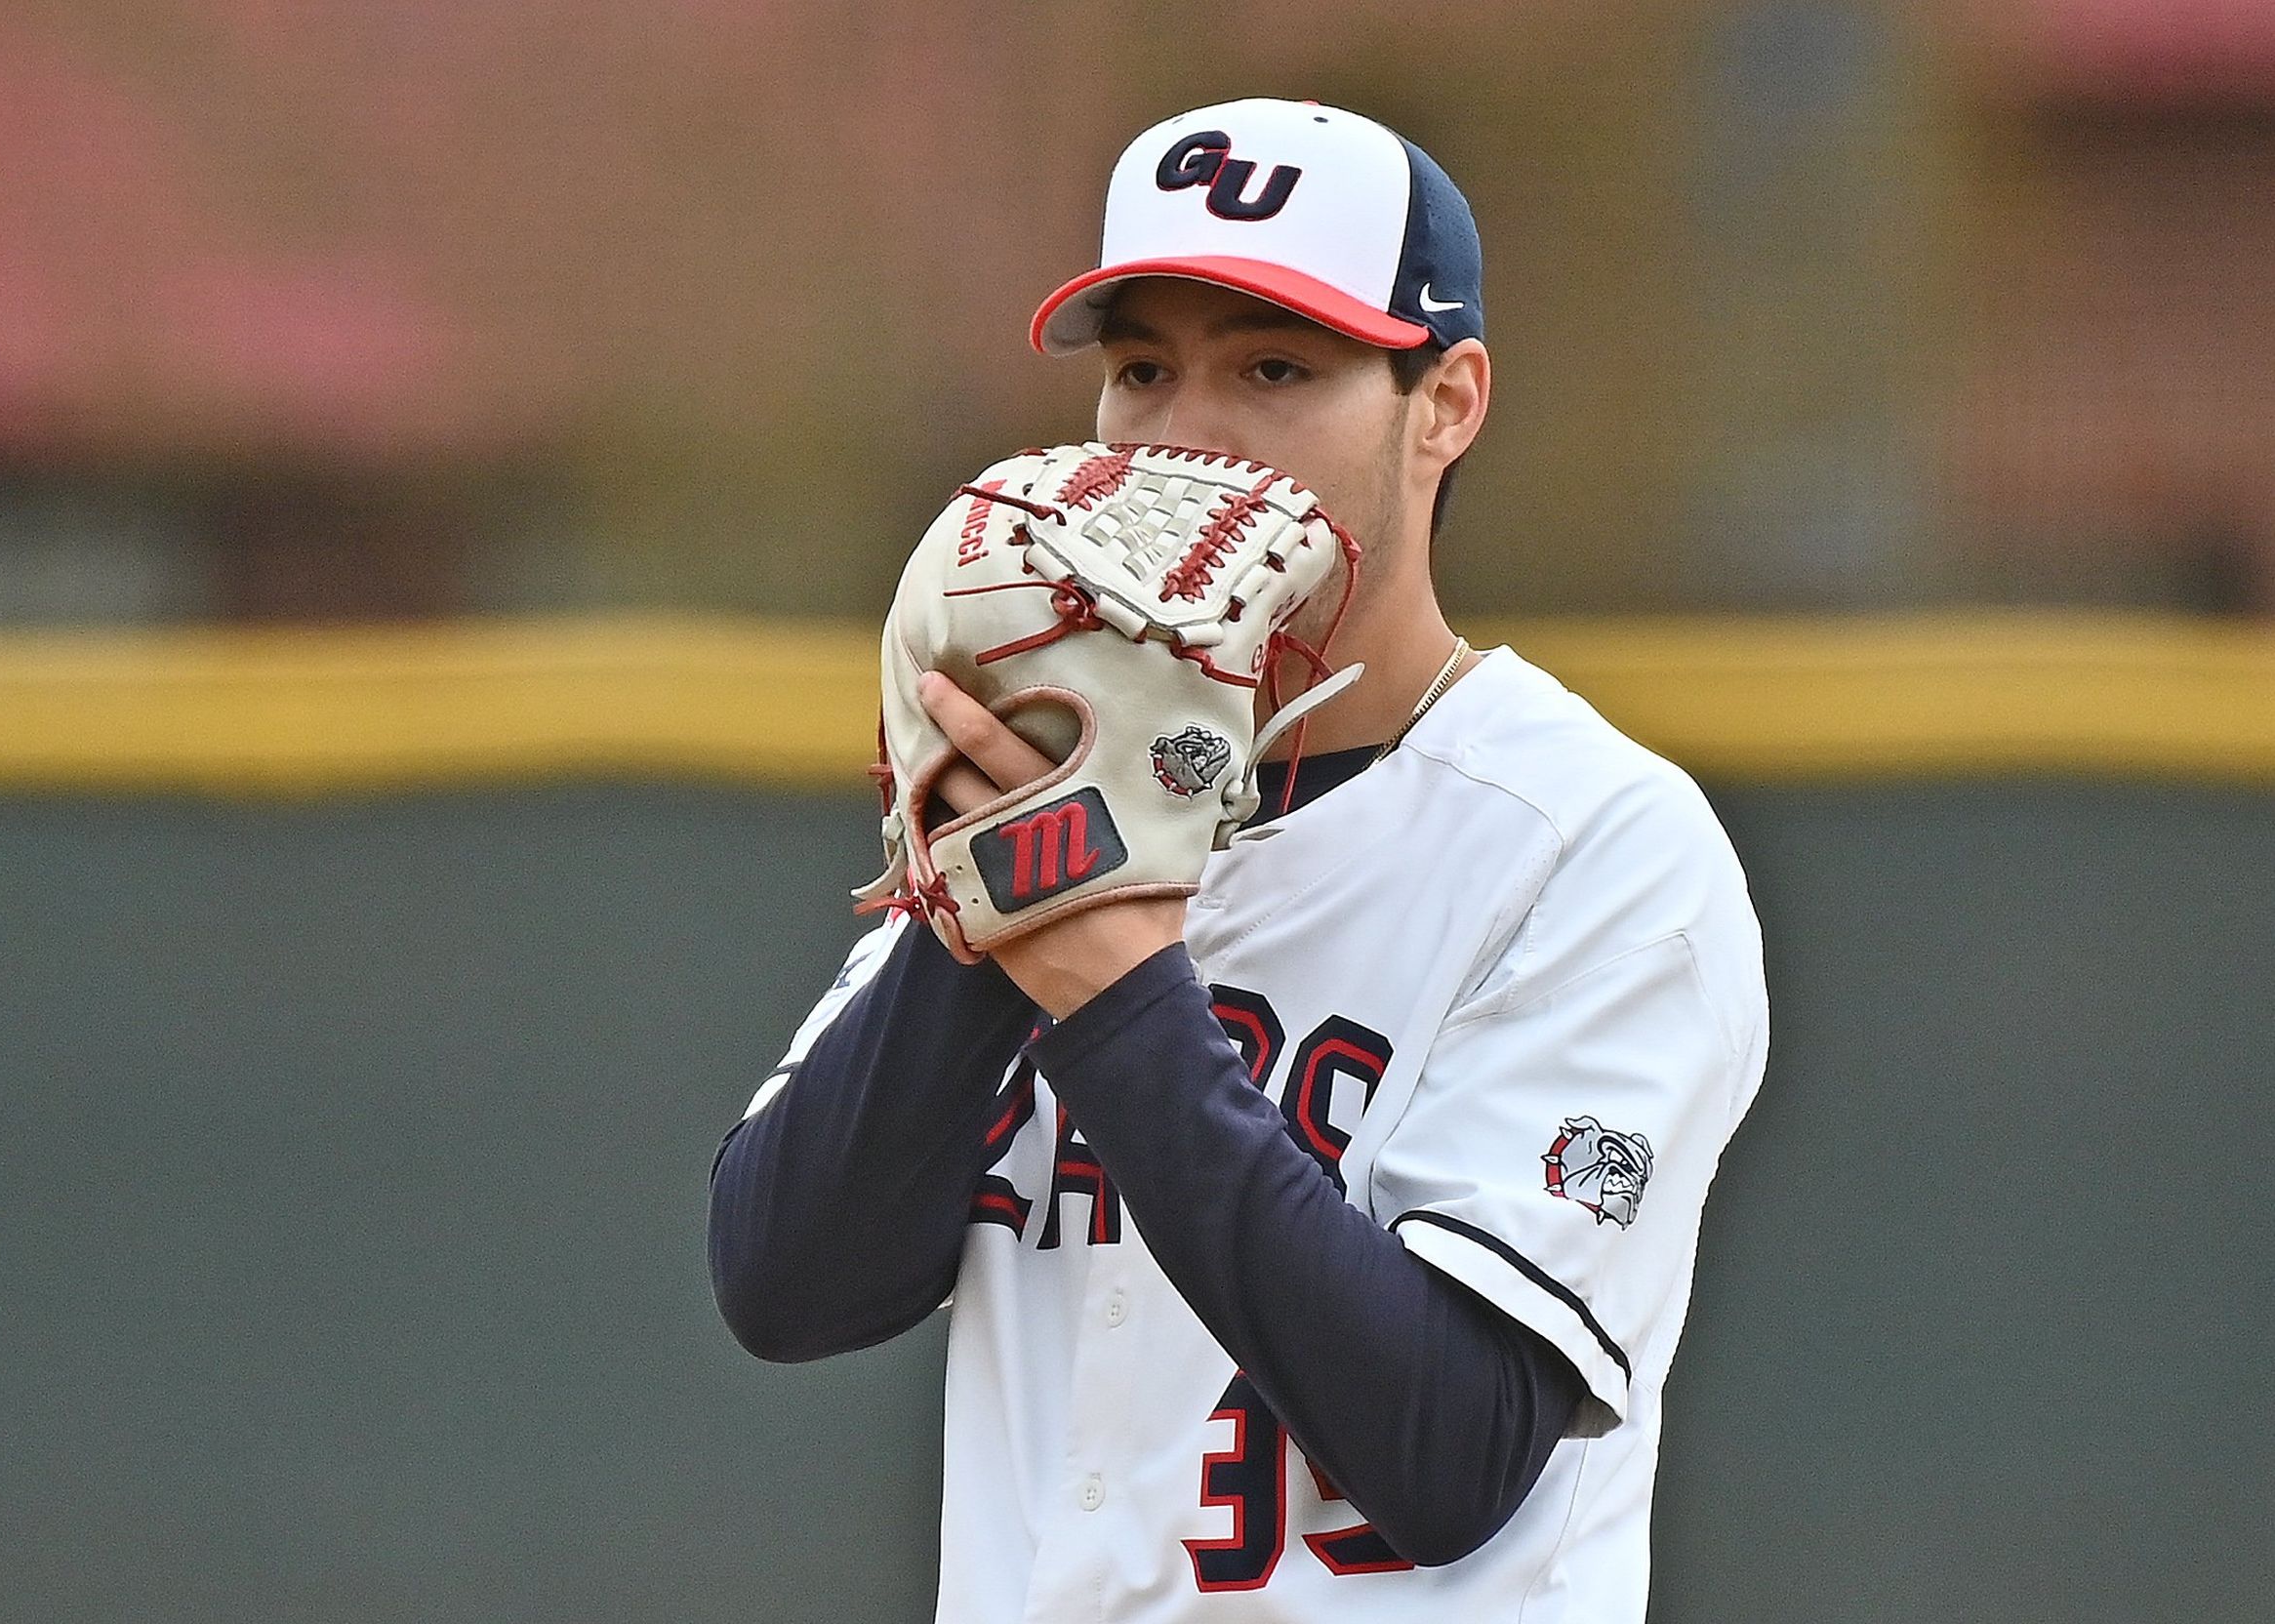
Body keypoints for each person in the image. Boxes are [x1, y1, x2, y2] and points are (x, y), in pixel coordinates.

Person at [709, 97, 1769, 1622]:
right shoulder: (1048, 768)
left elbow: (1451, 1452)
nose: (1186, 433)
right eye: (1145, 369)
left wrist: (1106, 973)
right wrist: (984, 912)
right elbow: (789, 1282)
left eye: (1277, 367)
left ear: (1447, 401)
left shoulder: (1596, 847)